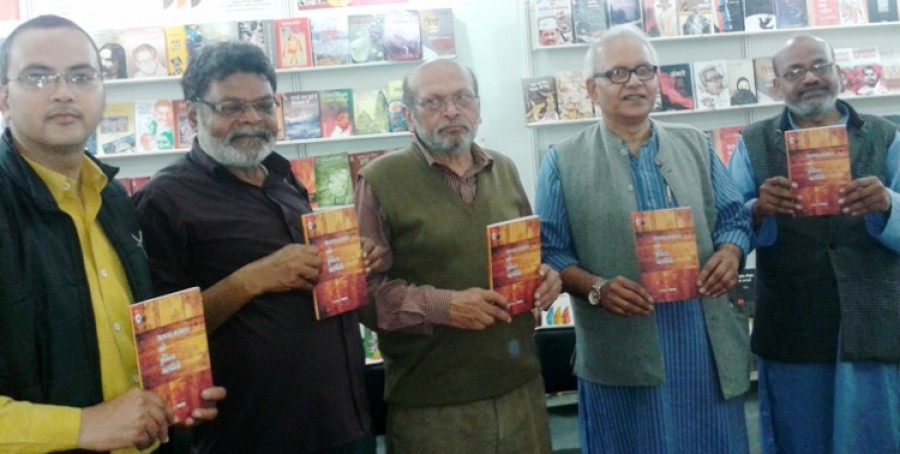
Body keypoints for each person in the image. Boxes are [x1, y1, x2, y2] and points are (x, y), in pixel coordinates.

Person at [133, 41, 380, 453]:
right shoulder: (164, 200)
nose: (251, 119)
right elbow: (160, 340)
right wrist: (250, 281)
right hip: (253, 434)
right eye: (231, 107)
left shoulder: (283, 180)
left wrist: (352, 259)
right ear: (193, 115)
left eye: (264, 105)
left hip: (342, 419)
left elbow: (305, 278)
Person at [0, 15, 223, 453]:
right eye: (38, 77)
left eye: (82, 76)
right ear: (4, 97)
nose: (64, 92)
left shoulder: (115, 198)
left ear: (103, 92)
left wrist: (172, 392)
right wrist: (82, 426)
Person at [535, 25, 752, 452]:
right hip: (620, 348)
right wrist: (596, 288)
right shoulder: (563, 161)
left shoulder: (695, 144)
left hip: (701, 345)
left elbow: (734, 218)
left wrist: (730, 251)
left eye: (644, 70)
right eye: (617, 73)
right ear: (591, 89)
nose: (633, 82)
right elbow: (551, 250)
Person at [355, 58, 563, 453]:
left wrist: (546, 278)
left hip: (520, 390)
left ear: (478, 108)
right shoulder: (380, 179)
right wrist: (443, 307)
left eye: (462, 98)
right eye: (433, 102)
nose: (451, 111)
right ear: (408, 116)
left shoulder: (505, 169)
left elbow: (527, 258)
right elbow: (362, 296)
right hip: (434, 407)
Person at [728, 34, 900, 453]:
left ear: (839, 72)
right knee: (800, 437)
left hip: (873, 317)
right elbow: (728, 226)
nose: (810, 78)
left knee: (876, 437)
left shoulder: (886, 135)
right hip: (793, 320)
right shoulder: (753, 143)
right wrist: (758, 209)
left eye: (820, 65)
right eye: (794, 72)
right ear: (777, 86)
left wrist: (887, 204)